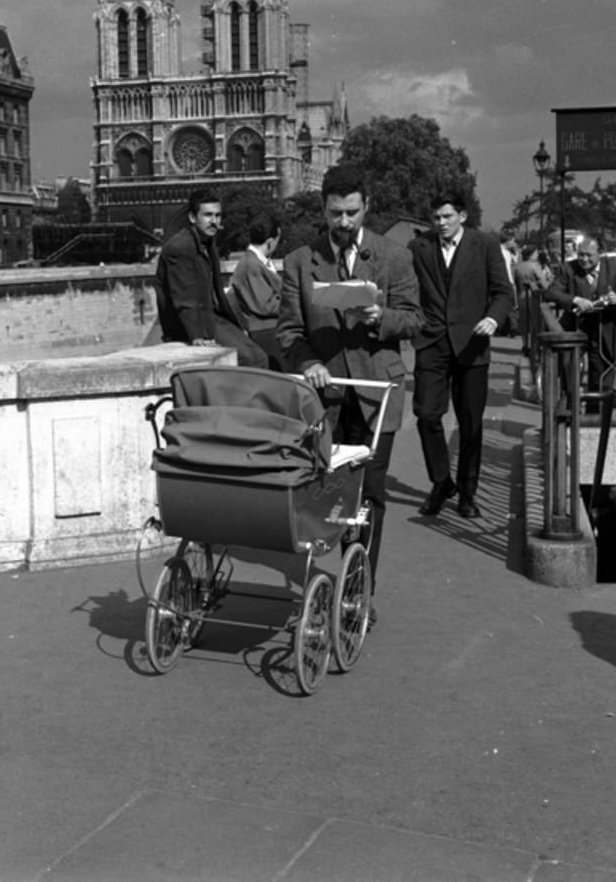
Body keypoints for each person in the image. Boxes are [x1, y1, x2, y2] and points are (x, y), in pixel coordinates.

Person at [276, 163, 423, 617]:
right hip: (326, 396)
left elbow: (416, 320)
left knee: (370, 496)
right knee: (324, 491)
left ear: (367, 207)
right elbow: (288, 331)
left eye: (352, 213)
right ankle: (322, 580)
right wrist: (309, 362)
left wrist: (384, 319)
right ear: (323, 208)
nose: (343, 223)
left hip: (377, 391)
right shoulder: (300, 261)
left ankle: (360, 590)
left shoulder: (394, 256)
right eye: (335, 213)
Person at [409, 191, 514, 518]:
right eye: (436, 218)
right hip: (432, 343)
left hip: (472, 343)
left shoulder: (485, 245)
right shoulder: (419, 248)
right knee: (427, 414)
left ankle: (468, 493)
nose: (440, 223)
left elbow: (503, 292)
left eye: (447, 217)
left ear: (462, 216)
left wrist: (493, 318)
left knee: (470, 424)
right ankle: (441, 481)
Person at [154, 187, 268, 368]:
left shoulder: (207, 242)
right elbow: (184, 298)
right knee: (250, 359)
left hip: (212, 316)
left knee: (260, 355)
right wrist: (198, 336)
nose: (214, 221)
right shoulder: (180, 247)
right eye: (208, 215)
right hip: (194, 324)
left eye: (218, 216)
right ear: (192, 218)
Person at [543, 236, 616, 400]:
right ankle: (570, 407)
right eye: (581, 254)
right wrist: (575, 300)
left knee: (601, 371)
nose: (584, 259)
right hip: (576, 327)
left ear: (600, 254)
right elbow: (552, 292)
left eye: (589, 255)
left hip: (605, 328)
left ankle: (596, 413)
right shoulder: (567, 269)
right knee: (568, 368)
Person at [229, 213, 283, 369]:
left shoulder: (254, 262)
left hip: (267, 330)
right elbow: (265, 305)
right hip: (267, 332)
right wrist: (294, 301)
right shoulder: (252, 265)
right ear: (270, 242)